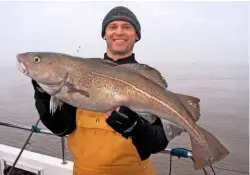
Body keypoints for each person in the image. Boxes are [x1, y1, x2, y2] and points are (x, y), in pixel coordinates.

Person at [31, 6, 183, 175]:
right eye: (112, 27)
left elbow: (159, 142)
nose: (119, 32)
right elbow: (62, 128)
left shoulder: (146, 81)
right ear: (104, 34)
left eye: (126, 27)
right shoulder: (78, 72)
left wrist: (136, 128)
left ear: (137, 35)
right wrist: (44, 95)